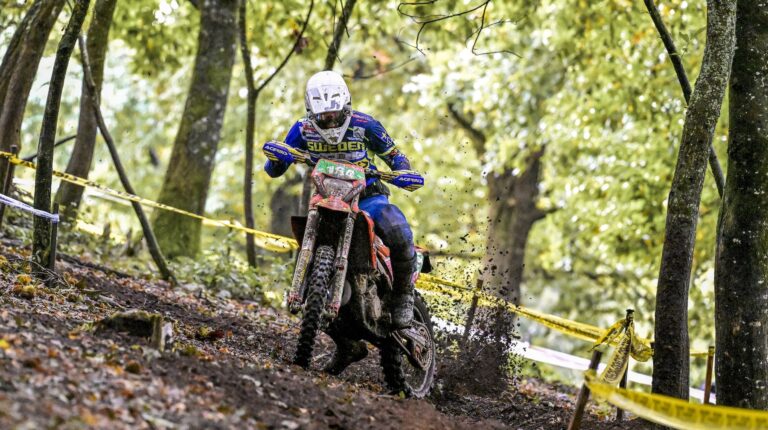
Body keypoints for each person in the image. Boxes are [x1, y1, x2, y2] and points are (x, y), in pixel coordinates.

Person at [263, 71, 419, 373]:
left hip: (368, 196)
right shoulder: (302, 129)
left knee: (398, 230)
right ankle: (345, 341)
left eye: (335, 113)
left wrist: (401, 171)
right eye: (324, 116)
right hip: (325, 198)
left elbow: (395, 156)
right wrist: (277, 157)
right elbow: (274, 169)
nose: (331, 121)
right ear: (312, 112)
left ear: (346, 105)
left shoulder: (365, 124)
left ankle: (402, 296)